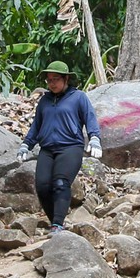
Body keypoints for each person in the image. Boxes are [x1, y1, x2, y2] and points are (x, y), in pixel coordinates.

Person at [17, 62, 102, 235]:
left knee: (61, 182)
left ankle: (58, 224)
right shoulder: (45, 101)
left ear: (66, 78)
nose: (52, 83)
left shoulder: (79, 97)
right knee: (42, 186)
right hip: (47, 149)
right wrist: (26, 144)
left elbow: (90, 118)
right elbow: (37, 125)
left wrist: (94, 138)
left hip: (70, 147)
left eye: (56, 79)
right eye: (49, 80)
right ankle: (55, 219)